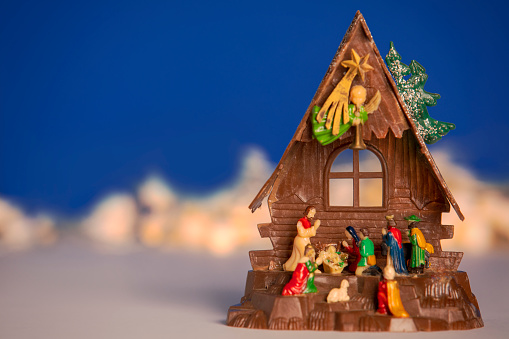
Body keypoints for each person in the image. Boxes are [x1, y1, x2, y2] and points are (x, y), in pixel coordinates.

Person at [283, 206, 321, 271]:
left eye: (314, 214)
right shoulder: (300, 222)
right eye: (311, 214)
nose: (313, 216)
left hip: (305, 240)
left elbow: (308, 233)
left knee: (297, 256)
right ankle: (308, 269)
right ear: (307, 213)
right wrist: (314, 227)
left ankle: (290, 267)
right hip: (300, 240)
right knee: (306, 254)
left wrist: (314, 228)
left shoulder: (308, 222)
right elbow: (302, 233)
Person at [377, 250, 410, 317]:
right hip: (389, 299)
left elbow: (383, 290)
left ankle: (382, 309)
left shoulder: (388, 284)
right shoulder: (393, 283)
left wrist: (381, 285)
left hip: (389, 301)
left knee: (380, 295)